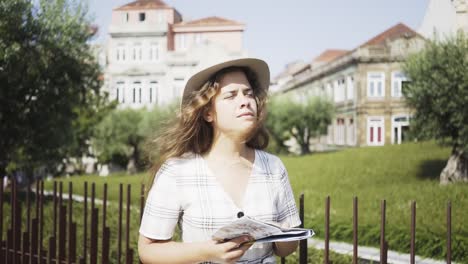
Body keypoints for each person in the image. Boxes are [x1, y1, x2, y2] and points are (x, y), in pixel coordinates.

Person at [138, 58, 301, 263]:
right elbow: (148, 251)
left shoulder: (274, 167)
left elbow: (287, 248)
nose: (245, 101)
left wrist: (281, 233)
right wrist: (207, 252)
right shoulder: (177, 171)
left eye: (248, 93)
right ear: (208, 112)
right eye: (231, 95)